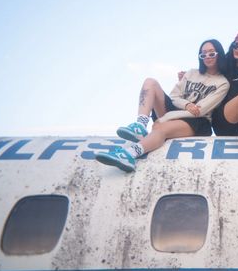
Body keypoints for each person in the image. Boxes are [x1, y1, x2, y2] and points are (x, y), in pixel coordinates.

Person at [96, 39, 230, 172]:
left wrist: (167, 117)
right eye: (203, 54)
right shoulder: (191, 73)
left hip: (197, 121)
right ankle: (140, 125)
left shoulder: (222, 83)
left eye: (211, 53)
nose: (207, 57)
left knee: (161, 128)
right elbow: (174, 96)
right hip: (177, 110)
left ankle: (129, 154)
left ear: (219, 54)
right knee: (150, 82)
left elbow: (200, 110)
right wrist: (187, 104)